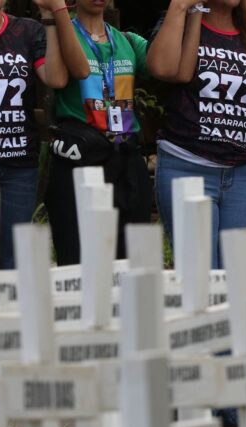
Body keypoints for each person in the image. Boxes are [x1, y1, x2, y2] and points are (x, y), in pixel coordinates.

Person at [147, 0, 246, 269]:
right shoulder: (180, 23)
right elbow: (162, 68)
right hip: (187, 166)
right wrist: (182, 8)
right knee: (200, 279)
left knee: (240, 280)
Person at [0, 0, 84, 269]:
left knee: (13, 260)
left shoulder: (29, 30)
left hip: (18, 166)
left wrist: (49, 17)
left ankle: (9, 312)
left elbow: (56, 79)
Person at [44, 0, 154, 266]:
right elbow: (57, 78)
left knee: (132, 265)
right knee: (77, 262)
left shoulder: (128, 41)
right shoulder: (62, 33)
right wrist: (54, 13)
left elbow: (165, 66)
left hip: (126, 160)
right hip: (81, 160)